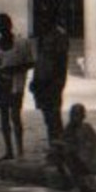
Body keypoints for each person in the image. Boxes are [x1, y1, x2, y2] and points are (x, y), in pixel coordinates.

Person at [0, 12, 33, 160]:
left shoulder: (22, 43)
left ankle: (20, 150)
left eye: (4, 24)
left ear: (10, 25)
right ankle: (9, 150)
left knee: (15, 116)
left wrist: (15, 69)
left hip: (16, 84)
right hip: (2, 84)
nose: (2, 28)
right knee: (3, 117)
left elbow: (30, 62)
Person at [30, 17, 70, 147]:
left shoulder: (59, 35)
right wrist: (35, 80)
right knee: (48, 118)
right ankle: (54, 146)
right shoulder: (43, 36)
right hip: (41, 81)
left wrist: (59, 83)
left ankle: (58, 149)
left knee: (54, 118)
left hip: (52, 81)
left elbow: (61, 62)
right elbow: (40, 59)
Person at [59, 103, 96, 192]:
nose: (75, 117)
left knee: (69, 155)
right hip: (82, 158)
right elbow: (66, 141)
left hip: (88, 161)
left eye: (77, 115)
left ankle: (77, 183)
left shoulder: (85, 128)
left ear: (82, 116)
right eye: (73, 114)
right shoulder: (70, 128)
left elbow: (90, 148)